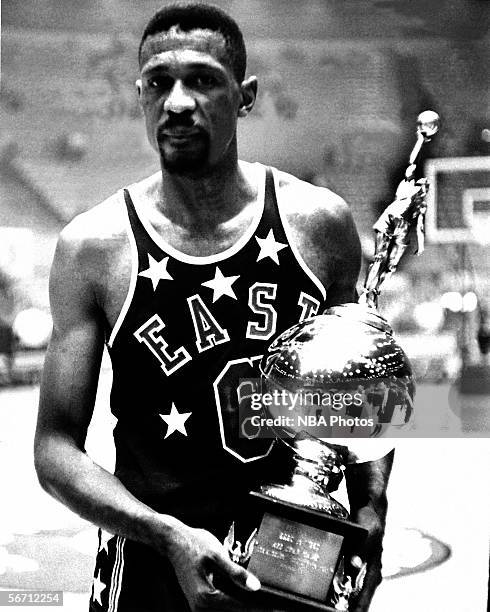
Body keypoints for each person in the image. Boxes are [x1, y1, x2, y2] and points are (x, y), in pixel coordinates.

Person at [34, 3, 393, 611]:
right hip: (149, 567)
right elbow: (54, 449)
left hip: (293, 559)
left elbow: (360, 400)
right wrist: (168, 535)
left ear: (245, 95)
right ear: (139, 97)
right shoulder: (92, 248)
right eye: (158, 83)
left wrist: (370, 517)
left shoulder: (320, 225)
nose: (176, 102)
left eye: (202, 79)